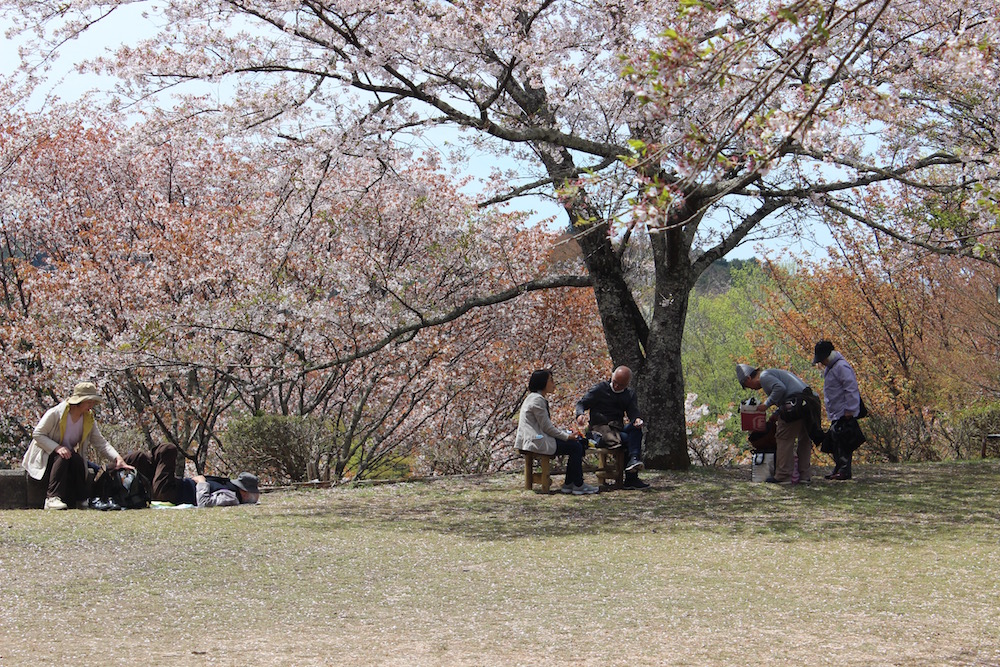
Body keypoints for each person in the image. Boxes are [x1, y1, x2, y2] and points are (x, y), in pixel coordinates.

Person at [22, 382, 132, 510]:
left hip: (68, 456)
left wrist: (117, 458)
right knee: (64, 456)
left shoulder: (88, 418)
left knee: (79, 460)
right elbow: (38, 434)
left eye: (93, 402)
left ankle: (81, 499)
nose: (91, 406)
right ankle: (52, 498)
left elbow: (100, 442)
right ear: (78, 401)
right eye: (88, 402)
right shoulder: (56, 413)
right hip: (47, 455)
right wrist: (57, 447)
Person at [515, 369, 598, 495]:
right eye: (551, 381)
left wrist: (566, 434)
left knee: (576, 443)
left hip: (535, 436)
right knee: (575, 446)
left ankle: (570, 483)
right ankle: (577, 484)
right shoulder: (537, 400)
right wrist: (567, 436)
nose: (554, 384)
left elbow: (545, 427)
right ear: (542, 382)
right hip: (536, 438)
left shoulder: (532, 398)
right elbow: (547, 428)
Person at [736, 363, 822, 485]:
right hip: (810, 403)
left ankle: (783, 475)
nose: (751, 388)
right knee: (805, 439)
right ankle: (804, 476)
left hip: (795, 405)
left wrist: (766, 405)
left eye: (747, 386)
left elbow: (780, 388)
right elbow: (786, 393)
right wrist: (776, 413)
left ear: (748, 379)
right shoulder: (773, 373)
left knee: (783, 437)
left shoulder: (764, 376)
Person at [574, 366, 649, 490]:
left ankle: (634, 461)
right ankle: (632, 477)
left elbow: (633, 413)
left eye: (621, 385)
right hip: (600, 428)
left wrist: (637, 420)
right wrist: (580, 414)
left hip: (617, 428)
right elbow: (582, 403)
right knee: (627, 439)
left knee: (635, 430)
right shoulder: (600, 389)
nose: (616, 387)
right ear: (612, 377)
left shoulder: (629, 394)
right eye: (615, 382)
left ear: (627, 384)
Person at [122, 442, 260, 507]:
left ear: (245, 493)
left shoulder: (231, 498)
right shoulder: (231, 491)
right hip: (174, 485)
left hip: (171, 492)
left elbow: (204, 503)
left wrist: (201, 482)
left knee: (168, 449)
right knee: (139, 458)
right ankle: (108, 474)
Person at [813, 340, 866, 480]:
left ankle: (844, 471)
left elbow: (851, 388)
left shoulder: (841, 367)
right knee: (835, 442)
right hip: (836, 412)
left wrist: (850, 409)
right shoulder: (831, 368)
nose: (821, 362)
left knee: (844, 442)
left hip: (844, 412)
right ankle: (839, 468)